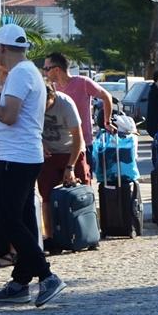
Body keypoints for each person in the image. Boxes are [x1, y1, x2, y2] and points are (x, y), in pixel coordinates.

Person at [0, 24, 66, 306]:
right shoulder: (30, 73)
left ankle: (47, 275)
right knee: (25, 219)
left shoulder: (19, 75)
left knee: (10, 219)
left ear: (2, 48)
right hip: (25, 155)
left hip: (15, 158)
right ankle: (20, 282)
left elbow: (10, 116)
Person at [36, 85, 88, 238]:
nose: (43, 107)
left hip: (72, 150)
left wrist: (70, 166)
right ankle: (51, 236)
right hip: (49, 154)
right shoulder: (33, 103)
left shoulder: (65, 103)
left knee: (81, 192)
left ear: (53, 96)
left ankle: (85, 233)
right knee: (46, 195)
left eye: (46, 103)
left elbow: (78, 137)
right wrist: (40, 144)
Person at [42, 52, 115, 159]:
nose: (45, 72)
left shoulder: (83, 82)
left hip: (83, 144)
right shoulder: (51, 89)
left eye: (46, 69)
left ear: (57, 69)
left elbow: (106, 96)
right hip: (57, 148)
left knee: (84, 175)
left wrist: (107, 122)